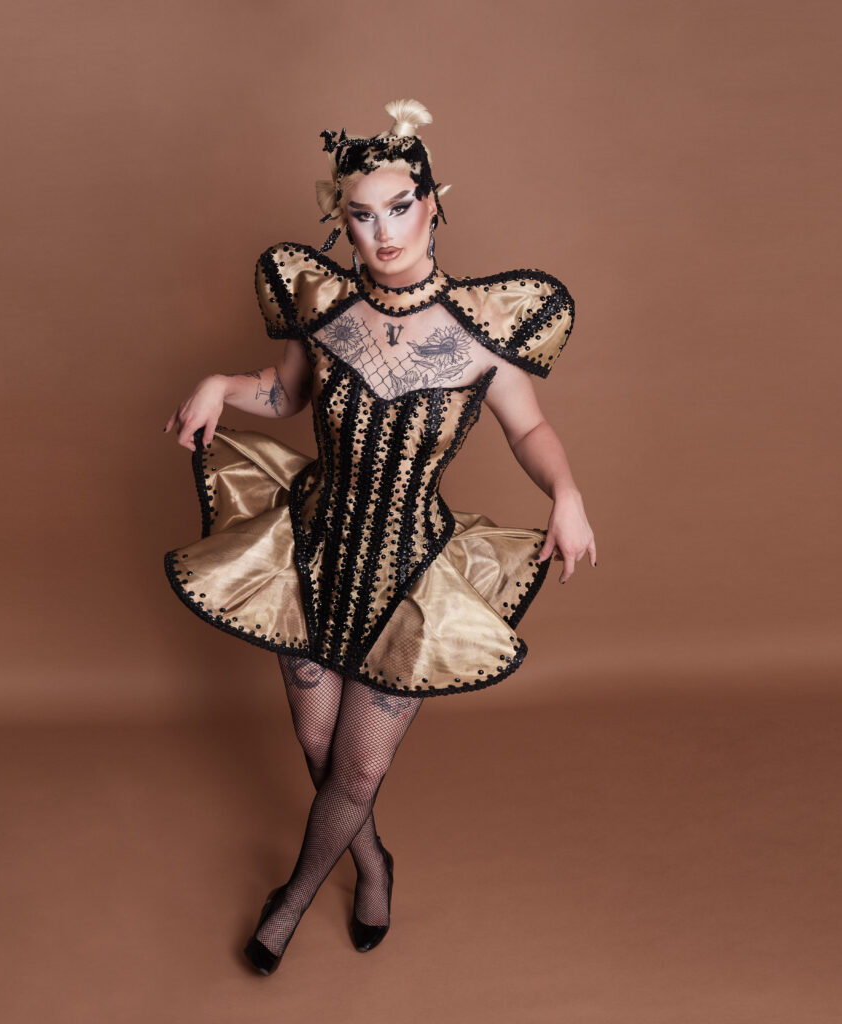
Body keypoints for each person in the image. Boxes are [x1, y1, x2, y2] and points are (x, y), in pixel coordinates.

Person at [162, 99, 596, 975]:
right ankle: (372, 859)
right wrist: (217, 382)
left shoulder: (488, 327)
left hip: (411, 581)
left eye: (400, 206)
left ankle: (292, 897)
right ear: (342, 220)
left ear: (434, 202)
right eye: (360, 215)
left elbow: (528, 429)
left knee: (355, 776)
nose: (382, 231)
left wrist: (568, 490)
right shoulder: (321, 307)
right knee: (323, 752)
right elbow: (285, 397)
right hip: (309, 558)